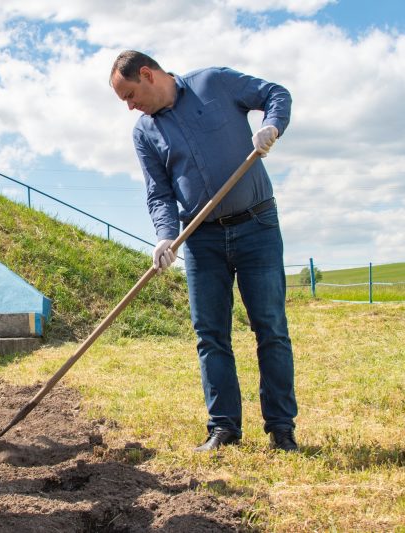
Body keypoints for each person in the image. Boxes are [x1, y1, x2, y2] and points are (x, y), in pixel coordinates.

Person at [109, 50, 298, 452]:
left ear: (147, 74)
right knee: (210, 335)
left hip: (257, 225)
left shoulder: (213, 83)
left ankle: (281, 429)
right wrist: (165, 236)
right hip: (201, 239)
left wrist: (272, 126)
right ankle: (223, 427)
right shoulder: (144, 132)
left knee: (270, 328)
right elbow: (159, 193)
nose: (129, 106)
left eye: (129, 95)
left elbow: (276, 93)